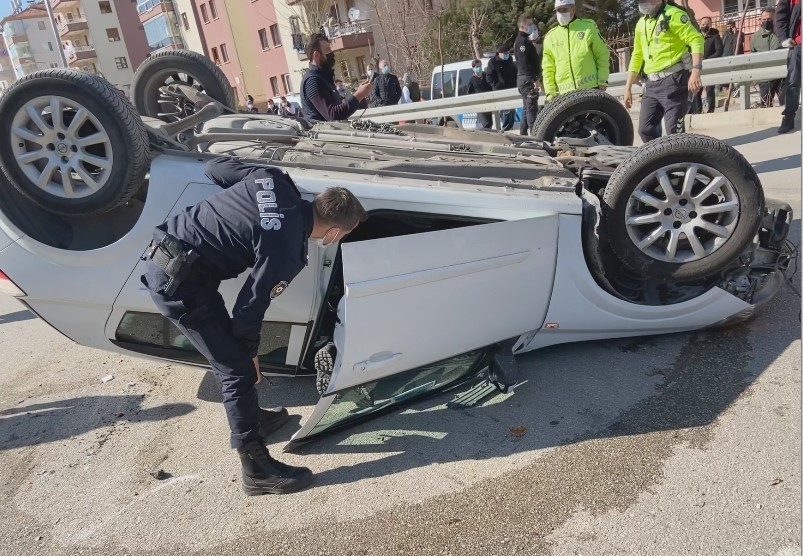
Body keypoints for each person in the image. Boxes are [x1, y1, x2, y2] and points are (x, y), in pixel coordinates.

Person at [141, 157, 366, 495]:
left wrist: (245, 212)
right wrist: (250, 354)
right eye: (344, 235)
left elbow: (214, 168)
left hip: (174, 255)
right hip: (179, 283)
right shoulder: (287, 249)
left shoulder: (274, 179)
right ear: (333, 232)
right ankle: (256, 469)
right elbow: (249, 308)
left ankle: (254, 417)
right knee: (235, 368)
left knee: (234, 358)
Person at [624, 0, 704, 143]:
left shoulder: (674, 14)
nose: (642, 4)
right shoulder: (641, 23)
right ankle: (661, 158)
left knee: (674, 132)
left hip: (674, 81)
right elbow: (637, 55)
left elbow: (696, 39)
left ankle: (680, 162)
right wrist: (628, 87)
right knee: (645, 130)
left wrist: (696, 71)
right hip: (651, 85)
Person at [541, 0, 610, 103]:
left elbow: (602, 55)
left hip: (590, 90)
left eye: (564, 10)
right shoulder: (550, 37)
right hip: (564, 96)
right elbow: (547, 68)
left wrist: (603, 79)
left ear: (573, 9)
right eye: (558, 11)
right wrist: (550, 93)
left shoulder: (588, 27)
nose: (561, 14)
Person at [300, 33, 371, 121]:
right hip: (322, 133)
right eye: (327, 49)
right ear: (316, 55)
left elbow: (340, 108)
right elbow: (332, 115)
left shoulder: (323, 77)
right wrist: (358, 95)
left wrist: (361, 98)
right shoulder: (312, 81)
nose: (331, 53)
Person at [514, 13, 542, 136]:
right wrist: (534, 79)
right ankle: (535, 135)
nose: (531, 27)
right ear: (523, 25)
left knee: (526, 109)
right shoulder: (523, 42)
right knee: (531, 108)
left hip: (524, 78)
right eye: (529, 24)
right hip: (527, 79)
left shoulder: (522, 41)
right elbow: (526, 63)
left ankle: (523, 134)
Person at [751, 9, 785, 108]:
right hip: (765, 78)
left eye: (769, 19)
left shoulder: (781, 33)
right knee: (766, 106)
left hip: (782, 76)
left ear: (774, 19)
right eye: (764, 19)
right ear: (760, 20)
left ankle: (787, 122)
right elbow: (753, 56)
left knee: (786, 105)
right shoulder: (755, 37)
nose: (766, 21)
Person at [776, 0, 800, 134]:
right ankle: (788, 117)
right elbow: (781, 14)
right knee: (793, 82)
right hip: (798, 44)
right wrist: (783, 37)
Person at [690, 16, 722, 114]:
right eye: (703, 24)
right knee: (697, 90)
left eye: (707, 24)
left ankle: (710, 110)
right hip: (697, 67)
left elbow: (719, 51)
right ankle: (698, 111)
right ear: (700, 25)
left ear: (711, 25)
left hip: (710, 67)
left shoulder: (715, 36)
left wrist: (707, 61)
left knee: (709, 90)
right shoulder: (696, 36)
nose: (705, 26)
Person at [485, 44, 518, 131]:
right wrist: (497, 85)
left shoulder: (510, 59)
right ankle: (506, 129)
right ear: (499, 53)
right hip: (499, 91)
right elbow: (489, 77)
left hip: (510, 89)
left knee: (511, 110)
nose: (507, 55)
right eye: (505, 53)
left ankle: (508, 128)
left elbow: (514, 72)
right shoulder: (492, 62)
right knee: (507, 110)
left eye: (508, 53)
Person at [463, 59, 493, 129]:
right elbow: (469, 93)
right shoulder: (471, 80)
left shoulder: (486, 76)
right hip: (479, 106)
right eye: (477, 67)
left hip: (489, 103)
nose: (479, 68)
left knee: (490, 123)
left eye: (480, 66)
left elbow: (492, 87)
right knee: (486, 124)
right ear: (473, 68)